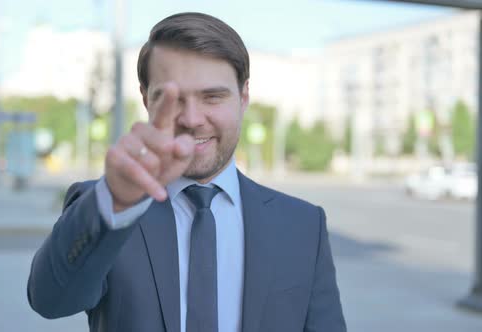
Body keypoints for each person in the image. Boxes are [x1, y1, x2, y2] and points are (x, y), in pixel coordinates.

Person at [27, 12, 346, 332]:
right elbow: (50, 301)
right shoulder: (108, 207)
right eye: (173, 98)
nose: (192, 119)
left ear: (243, 96)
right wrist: (115, 200)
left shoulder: (303, 226)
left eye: (212, 97)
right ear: (145, 99)